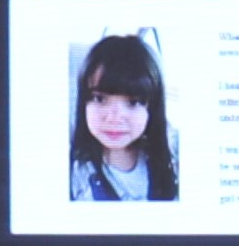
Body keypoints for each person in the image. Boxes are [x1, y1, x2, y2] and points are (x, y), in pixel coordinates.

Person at [65, 33, 175, 203]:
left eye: (133, 102)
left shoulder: (172, 158)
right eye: (99, 99)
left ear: (151, 108)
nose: (114, 118)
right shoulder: (72, 171)